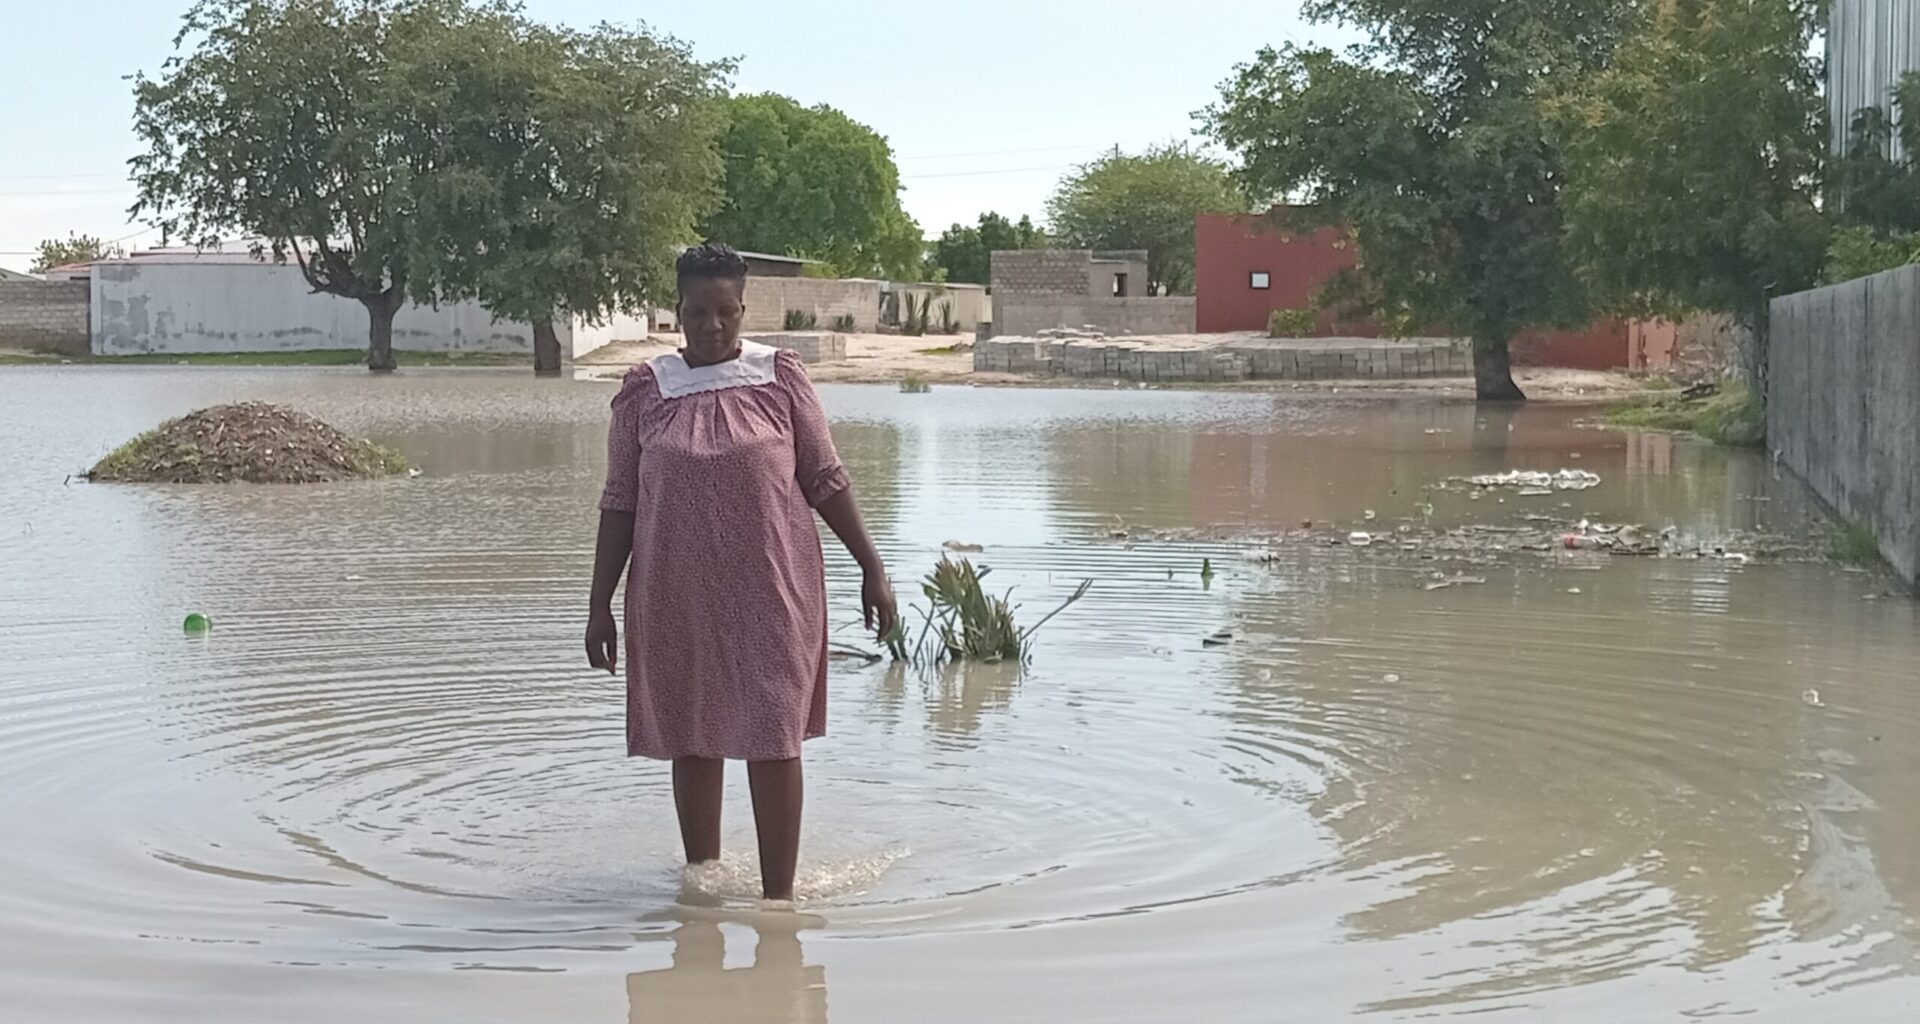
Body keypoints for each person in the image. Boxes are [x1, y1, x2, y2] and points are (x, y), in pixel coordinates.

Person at [586, 243, 897, 902]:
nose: (713, 326)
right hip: (676, 595)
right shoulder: (647, 391)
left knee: (773, 733)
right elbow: (620, 503)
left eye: (726, 311)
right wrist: (598, 606)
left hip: (772, 591)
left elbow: (825, 477)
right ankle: (701, 893)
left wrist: (873, 568)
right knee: (692, 735)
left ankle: (777, 902)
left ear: (743, 308)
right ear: (677, 311)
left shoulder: (779, 378)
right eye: (698, 312)